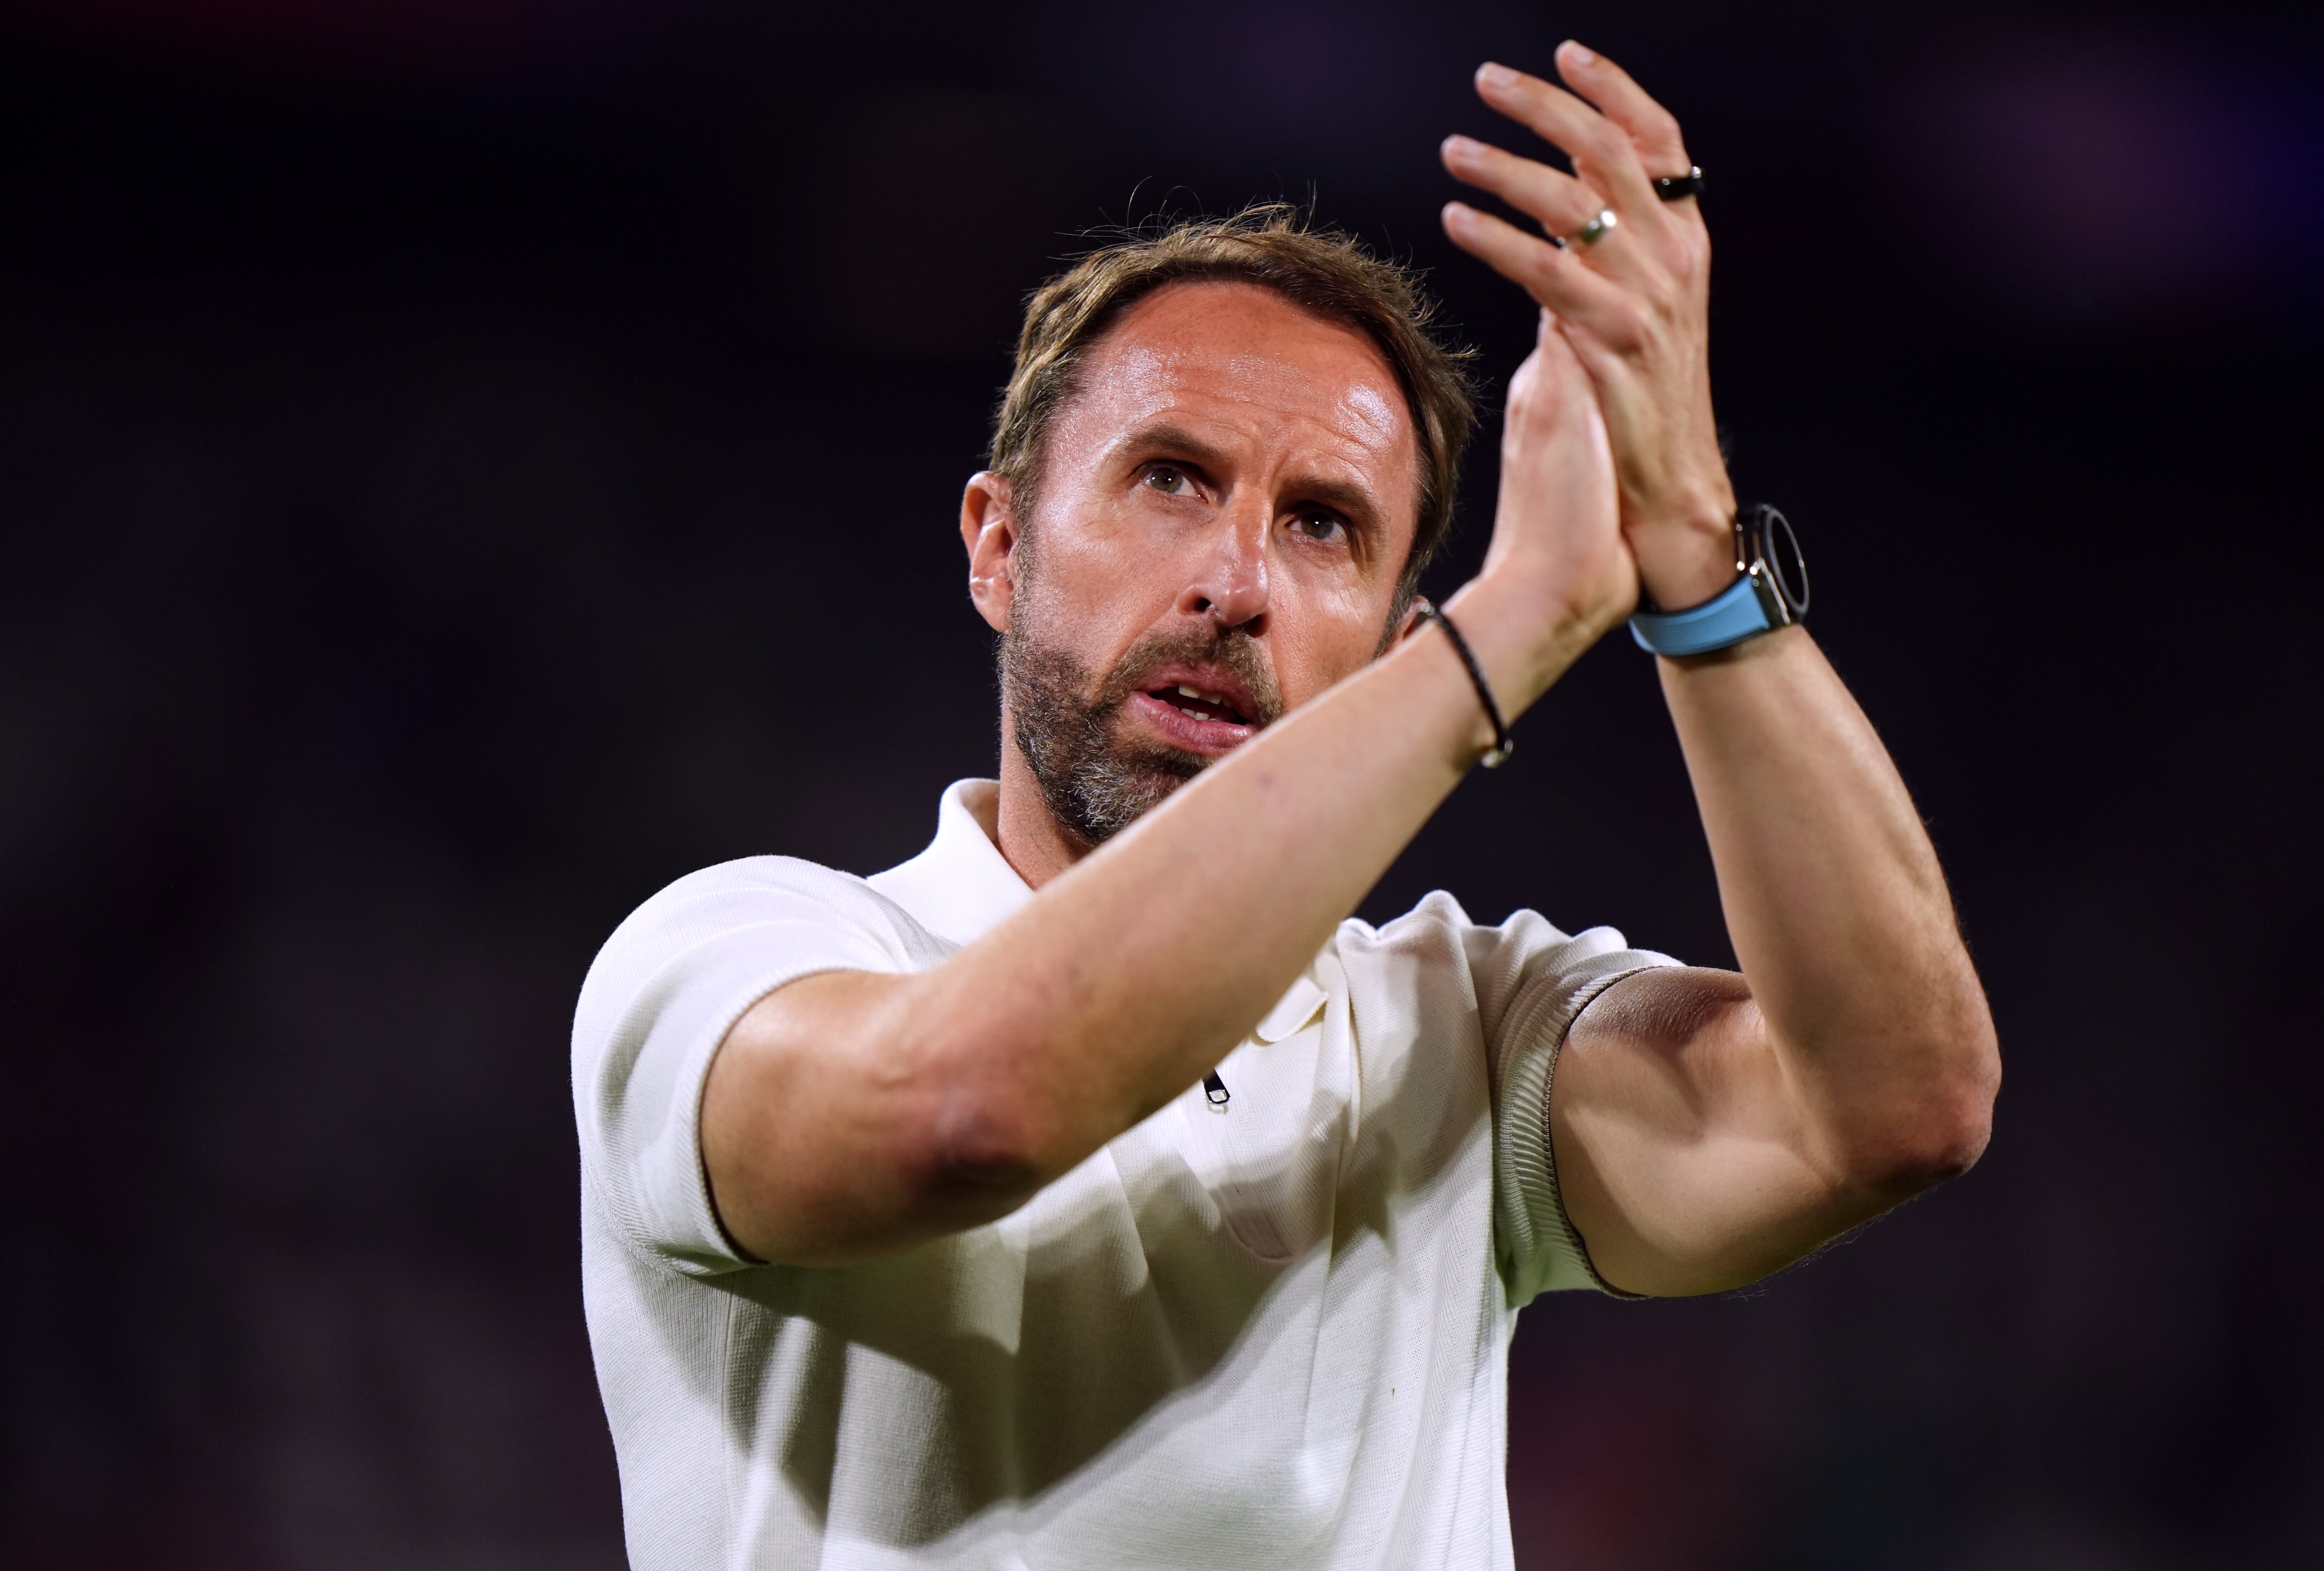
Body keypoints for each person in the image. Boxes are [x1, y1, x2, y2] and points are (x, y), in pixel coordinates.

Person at [572, 42, 2000, 1570]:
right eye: (1171, 478)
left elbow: (1897, 1107)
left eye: (1323, 526)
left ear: (1394, 644)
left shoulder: (1459, 1034)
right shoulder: (736, 953)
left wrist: (1692, 553)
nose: (1236, 585)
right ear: (999, 546)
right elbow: (967, 1111)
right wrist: (1523, 620)